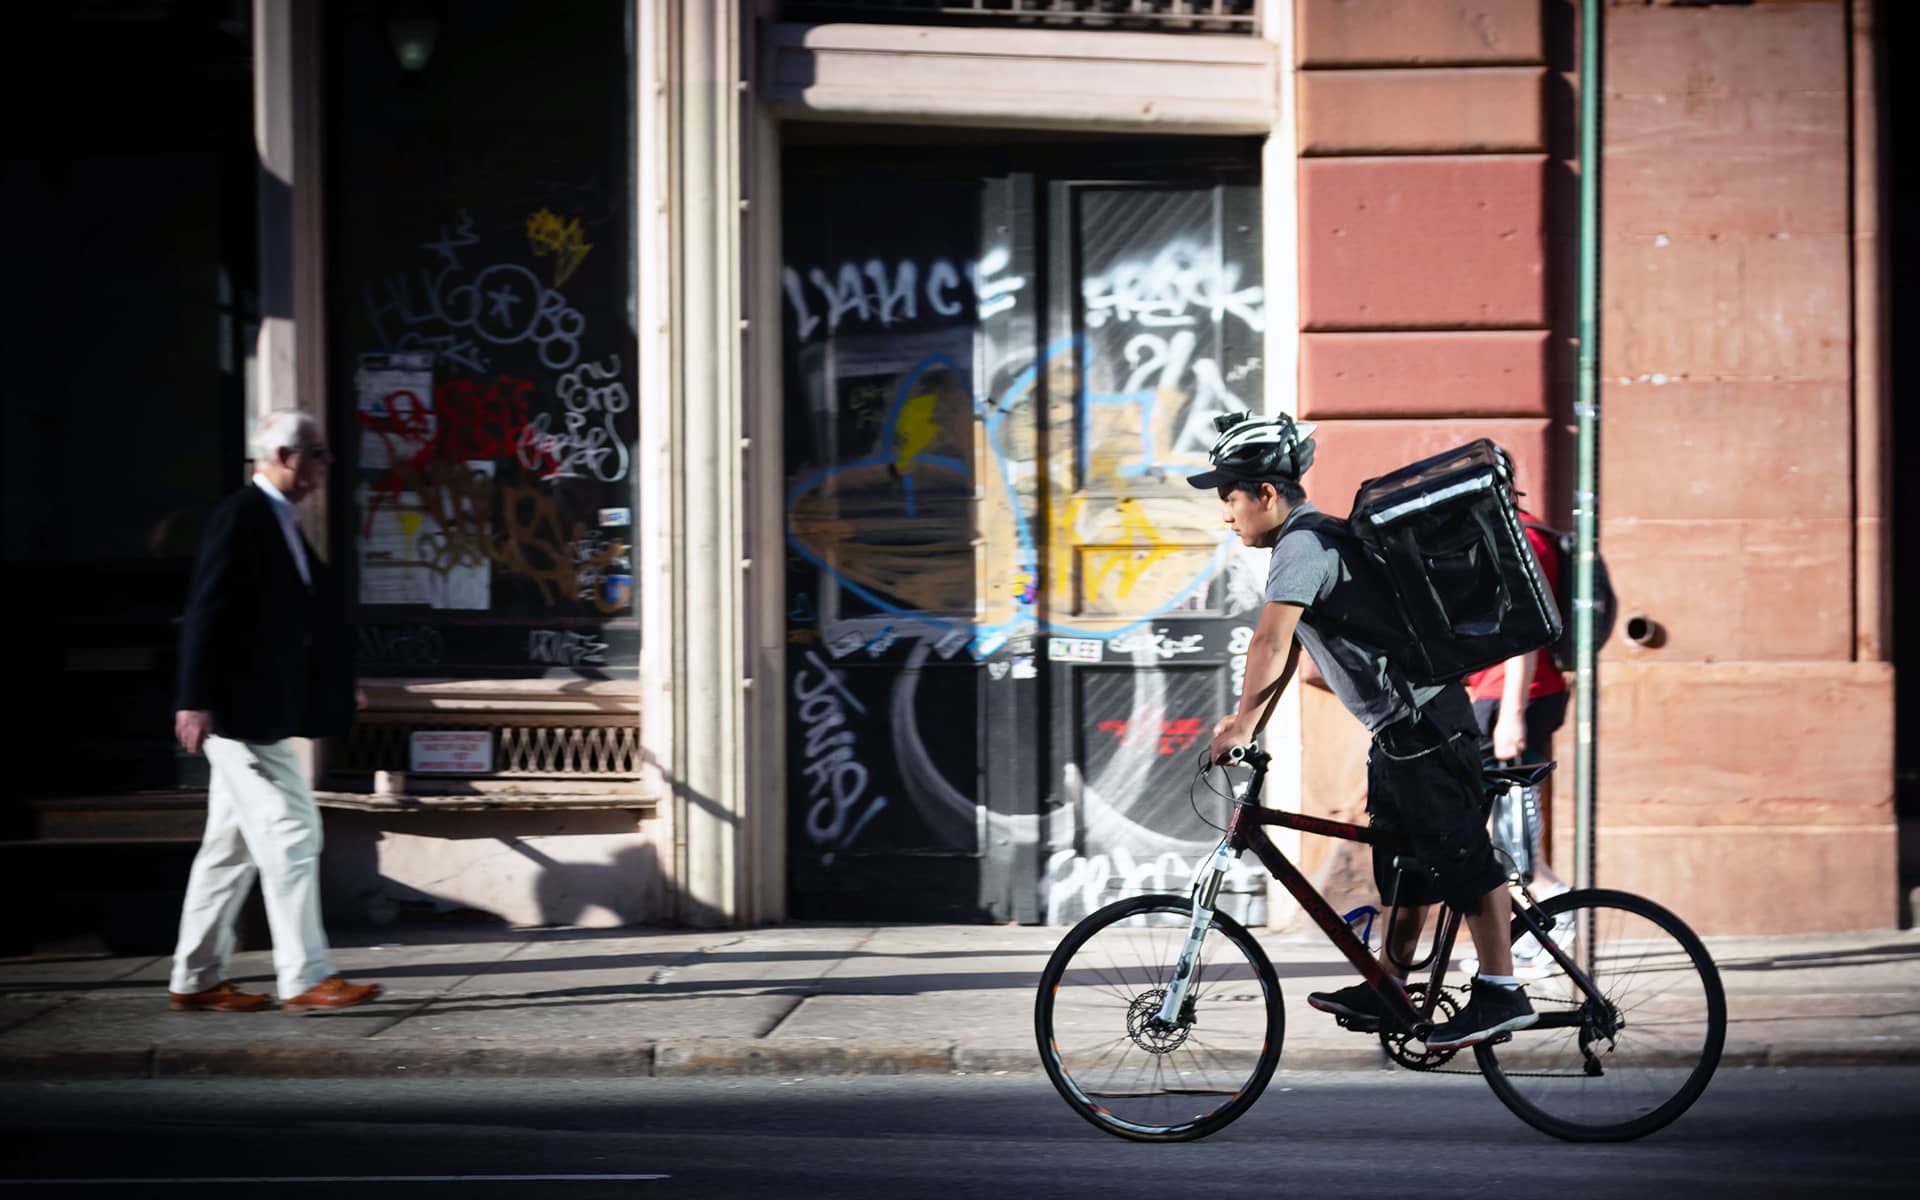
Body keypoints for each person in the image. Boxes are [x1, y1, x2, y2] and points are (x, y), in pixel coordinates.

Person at [1195, 412, 1534, 1050]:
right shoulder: (1311, 543)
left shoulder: (1303, 545)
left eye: (1230, 498)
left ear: (1267, 494)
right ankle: (1391, 987)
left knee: (1461, 855)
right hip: (1400, 733)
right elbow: (1291, 648)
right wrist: (1252, 726)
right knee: (1406, 867)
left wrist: (1240, 723)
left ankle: (1500, 991)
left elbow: (1270, 639)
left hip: (1428, 725)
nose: (1226, 514)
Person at [167, 411, 382, 1013]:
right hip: (237, 715)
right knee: (292, 832)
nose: (326, 464)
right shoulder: (242, 516)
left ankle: (196, 978)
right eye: (318, 453)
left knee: (229, 848)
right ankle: (306, 975)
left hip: (254, 710)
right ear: (286, 455)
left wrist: (341, 684)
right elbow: (207, 608)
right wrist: (193, 699)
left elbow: (303, 621)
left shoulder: (280, 520)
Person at [1457, 513, 1573, 977]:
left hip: (1512, 696)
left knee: (1512, 837)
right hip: (1502, 694)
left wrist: (1511, 713)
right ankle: (1531, 937)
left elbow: (1522, 630)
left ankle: (1557, 920)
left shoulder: (1519, 539)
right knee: (1493, 831)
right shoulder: (1516, 534)